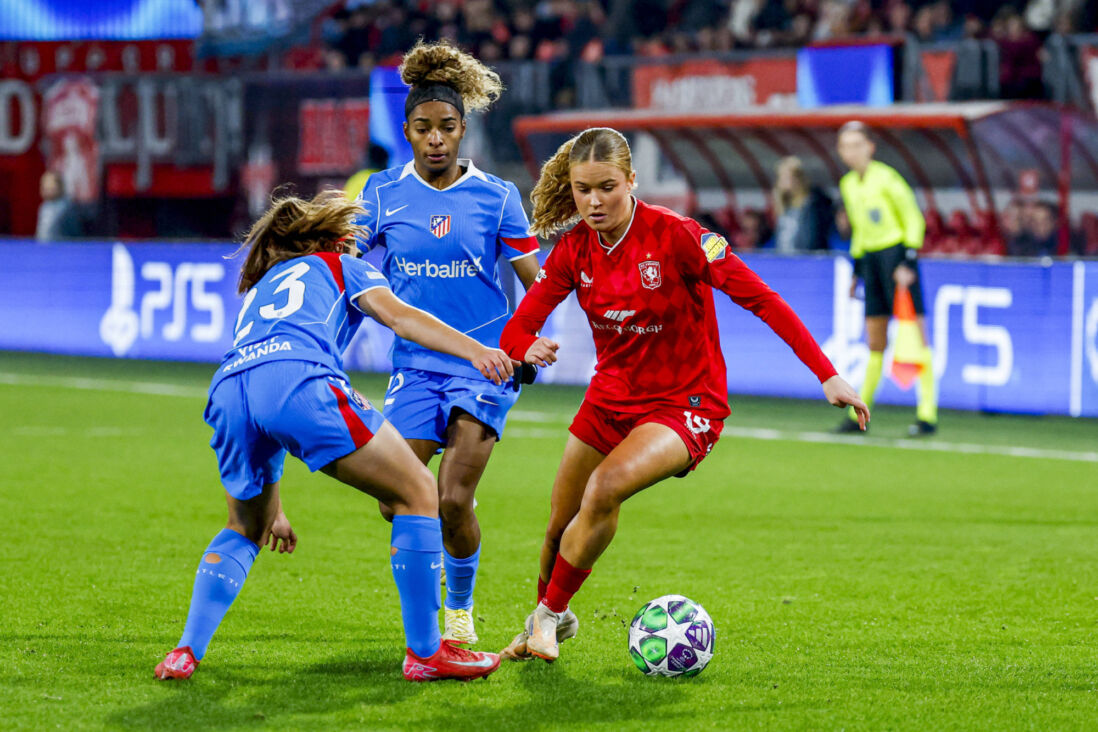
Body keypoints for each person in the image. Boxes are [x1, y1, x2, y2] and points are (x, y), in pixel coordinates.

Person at [494, 127, 868, 662]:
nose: (594, 202)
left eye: (606, 188)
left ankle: (548, 617)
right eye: (582, 190)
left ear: (631, 181)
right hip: (609, 398)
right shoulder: (574, 250)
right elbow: (517, 327)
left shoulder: (679, 236)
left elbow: (762, 299)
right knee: (558, 523)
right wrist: (523, 346)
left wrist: (826, 374)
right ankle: (551, 618)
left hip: (685, 403)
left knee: (604, 488)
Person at [154, 190, 513, 682]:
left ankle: (185, 652)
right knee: (418, 491)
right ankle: (427, 653)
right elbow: (402, 318)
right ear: (338, 240)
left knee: (245, 527)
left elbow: (266, 394)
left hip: (230, 388)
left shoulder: (262, 286)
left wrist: (273, 506)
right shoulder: (343, 265)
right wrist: (475, 350)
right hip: (300, 379)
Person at [354, 41, 542, 645]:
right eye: (423, 128)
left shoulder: (498, 196)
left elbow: (539, 283)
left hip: (484, 366)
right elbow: (343, 265)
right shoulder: (381, 193)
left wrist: (529, 340)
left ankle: (457, 610)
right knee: (395, 499)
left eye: (447, 127)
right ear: (407, 131)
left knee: (452, 500)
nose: (436, 139)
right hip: (414, 367)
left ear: (463, 129)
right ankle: (444, 551)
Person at [834, 121, 938, 437]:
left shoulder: (888, 178)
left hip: (896, 258)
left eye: (856, 144)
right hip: (870, 261)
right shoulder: (848, 184)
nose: (851, 152)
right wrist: (857, 269)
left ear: (870, 147)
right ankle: (859, 414)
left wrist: (908, 260)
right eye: (845, 146)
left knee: (916, 334)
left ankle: (927, 414)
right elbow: (860, 230)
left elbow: (913, 219)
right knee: (875, 339)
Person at [771, 156, 833, 253]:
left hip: (807, 258)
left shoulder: (814, 203)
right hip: (785, 258)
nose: (782, 181)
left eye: (786, 177)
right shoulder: (784, 204)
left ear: (798, 178)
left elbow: (815, 237)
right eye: (780, 177)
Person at [35, 170, 84, 241]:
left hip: (61, 246)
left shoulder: (67, 208)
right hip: (43, 247)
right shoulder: (44, 207)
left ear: (60, 187)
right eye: (44, 187)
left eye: (51, 187)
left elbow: (76, 234)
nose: (47, 190)